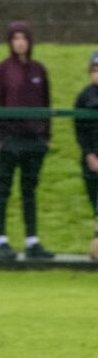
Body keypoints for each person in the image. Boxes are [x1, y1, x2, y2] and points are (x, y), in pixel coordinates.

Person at [0, 21, 54, 261]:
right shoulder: (2, 70)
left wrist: (46, 137)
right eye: (15, 38)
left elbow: (47, 104)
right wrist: (1, 136)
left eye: (23, 38)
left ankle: (32, 240)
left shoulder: (39, 70)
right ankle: (1, 240)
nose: (20, 42)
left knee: (29, 191)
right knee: (3, 189)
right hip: (11, 140)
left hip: (34, 141)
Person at [74, 50, 98, 260]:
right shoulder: (84, 97)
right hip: (92, 160)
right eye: (95, 70)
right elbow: (79, 129)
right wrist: (89, 154)